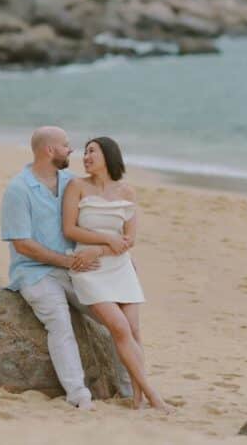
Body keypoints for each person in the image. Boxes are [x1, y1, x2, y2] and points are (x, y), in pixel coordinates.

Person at [0, 126, 129, 410]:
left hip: (75, 269)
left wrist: (104, 244)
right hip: (34, 273)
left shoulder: (72, 182)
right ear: (49, 150)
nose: (72, 150)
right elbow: (23, 245)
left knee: (114, 321)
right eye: (66, 145)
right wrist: (66, 261)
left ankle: (129, 390)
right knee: (60, 322)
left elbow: (101, 207)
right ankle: (78, 395)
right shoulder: (18, 189)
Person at [62, 137, 170, 412]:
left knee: (134, 330)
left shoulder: (127, 192)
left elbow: (128, 239)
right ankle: (153, 395)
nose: (86, 157)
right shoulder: (77, 186)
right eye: (85, 152)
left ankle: (137, 397)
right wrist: (105, 241)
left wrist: (102, 248)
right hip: (90, 270)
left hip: (119, 267)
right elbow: (70, 230)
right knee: (119, 328)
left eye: (92, 151)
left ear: (108, 155)